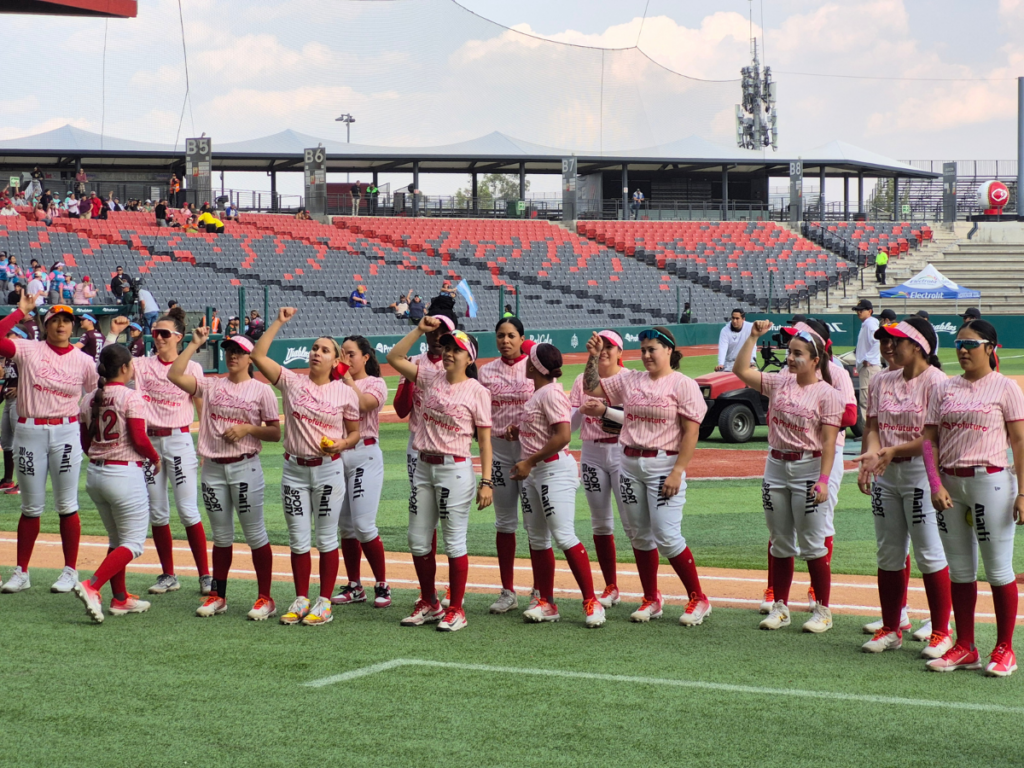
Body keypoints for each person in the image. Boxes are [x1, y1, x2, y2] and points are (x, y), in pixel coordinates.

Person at [581, 326, 711, 625]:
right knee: (639, 534)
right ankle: (651, 598)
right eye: (643, 350)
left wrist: (678, 471)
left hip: (663, 465)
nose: (647, 354)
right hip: (629, 464)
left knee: (666, 534)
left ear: (669, 350)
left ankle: (698, 597)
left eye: (653, 348)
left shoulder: (683, 384)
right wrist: (591, 358)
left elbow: (692, 432)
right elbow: (592, 387)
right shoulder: (631, 379)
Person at [922, 320, 1024, 676]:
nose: (962, 350)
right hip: (950, 483)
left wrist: (1023, 492)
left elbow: (1019, 441)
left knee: (997, 569)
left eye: (971, 343)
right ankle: (965, 646)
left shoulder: (1006, 388)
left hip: (991, 482)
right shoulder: (944, 388)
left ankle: (1005, 649)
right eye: (959, 343)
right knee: (961, 570)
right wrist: (935, 483)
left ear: (990, 347)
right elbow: (928, 440)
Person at [250, 308, 361, 627]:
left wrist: (342, 443)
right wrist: (280, 322)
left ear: (334, 359)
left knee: (326, 538)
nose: (316, 353)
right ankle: (301, 598)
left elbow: (355, 433)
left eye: (324, 349)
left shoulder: (344, 393)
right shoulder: (291, 382)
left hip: (327, 469)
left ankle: (324, 601)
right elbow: (258, 355)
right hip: (294, 471)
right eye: (314, 348)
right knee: (298, 538)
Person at [732, 320, 842, 633]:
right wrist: (753, 336)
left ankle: (823, 611)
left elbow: (830, 443)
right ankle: (780, 607)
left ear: (815, 360)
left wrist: (823, 480)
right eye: (790, 352)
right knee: (780, 541)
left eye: (798, 354)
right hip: (776, 466)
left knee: (812, 543)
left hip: (808, 467)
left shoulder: (827, 394)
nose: (791, 358)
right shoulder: (781, 381)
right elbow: (741, 370)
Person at [855, 317, 953, 659]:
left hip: (921, 473)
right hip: (887, 472)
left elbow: (930, 440)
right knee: (889, 552)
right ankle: (891, 627)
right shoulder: (882, 379)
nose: (890, 346)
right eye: (888, 340)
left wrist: (892, 451)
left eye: (898, 341)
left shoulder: (937, 382)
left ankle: (941, 631)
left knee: (929, 552)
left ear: (919, 346)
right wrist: (871, 453)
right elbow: (873, 426)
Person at [168, 327, 282, 621]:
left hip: (245, 466)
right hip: (214, 468)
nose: (233, 355)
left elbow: (274, 432)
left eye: (240, 351)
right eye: (230, 350)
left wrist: (248, 429)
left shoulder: (262, 390)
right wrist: (193, 345)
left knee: (255, 533)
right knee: (221, 536)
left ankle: (265, 597)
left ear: (250, 359)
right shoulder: (213, 385)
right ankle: (218, 595)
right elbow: (175, 375)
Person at [387, 319, 493, 632]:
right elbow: (394, 358)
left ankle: (457, 608)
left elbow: (485, 442)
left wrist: (486, 481)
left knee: (454, 541)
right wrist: (419, 330)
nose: (448, 353)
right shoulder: (431, 377)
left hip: (455, 468)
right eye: (447, 347)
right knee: (418, 540)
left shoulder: (477, 392)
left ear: (469, 357)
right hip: (423, 466)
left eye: (456, 349)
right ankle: (430, 601)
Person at [0, 297, 99, 595]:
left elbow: (97, 396)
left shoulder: (83, 361)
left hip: (66, 431)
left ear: (72, 326)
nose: (60, 324)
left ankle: (70, 570)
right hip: (30, 430)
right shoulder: (29, 349)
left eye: (66, 320)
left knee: (67, 504)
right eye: (54, 319)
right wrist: (22, 310)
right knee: (31, 506)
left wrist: (90, 436)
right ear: (45, 325)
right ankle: (22, 571)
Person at [118, 307, 211, 596]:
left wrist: (205, 444)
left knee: (187, 510)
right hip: (149, 444)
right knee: (158, 513)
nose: (157, 337)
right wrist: (114, 333)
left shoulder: (192, 368)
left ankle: (205, 575)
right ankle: (168, 574)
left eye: (164, 333)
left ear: (178, 338)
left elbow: (201, 407)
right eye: (155, 332)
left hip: (179, 441)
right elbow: (110, 364)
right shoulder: (142, 365)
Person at [512, 342, 605, 627]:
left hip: (552, 469)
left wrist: (528, 461)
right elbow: (544, 430)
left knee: (564, 536)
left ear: (535, 367)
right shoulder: (540, 392)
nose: (525, 361)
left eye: (529, 358)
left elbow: (563, 435)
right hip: (536, 472)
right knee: (537, 538)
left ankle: (592, 601)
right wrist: (520, 431)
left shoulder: (550, 393)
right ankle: (547, 603)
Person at [71, 344, 161, 623]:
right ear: (123, 368)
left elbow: (85, 443)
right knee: (133, 543)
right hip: (123, 475)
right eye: (130, 364)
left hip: (95, 475)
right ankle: (92, 585)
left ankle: (120, 598)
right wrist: (155, 458)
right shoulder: (130, 397)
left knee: (117, 540)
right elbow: (139, 438)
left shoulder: (88, 399)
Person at [478, 317, 535, 614]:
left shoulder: (534, 368)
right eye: (500, 335)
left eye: (511, 335)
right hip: (498, 450)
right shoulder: (485, 372)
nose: (505, 341)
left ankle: (540, 589)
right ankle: (508, 591)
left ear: (522, 338)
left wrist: (524, 430)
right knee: (504, 522)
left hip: (529, 453)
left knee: (535, 523)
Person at [569, 330, 630, 608]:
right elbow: (569, 425)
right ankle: (611, 586)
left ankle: (651, 593)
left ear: (621, 352)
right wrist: (579, 409)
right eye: (601, 345)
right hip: (592, 451)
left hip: (621, 451)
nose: (605, 350)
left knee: (633, 523)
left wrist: (604, 410)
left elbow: (634, 419)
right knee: (601, 523)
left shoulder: (629, 378)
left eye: (611, 346)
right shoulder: (582, 380)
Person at [332, 335, 391, 608]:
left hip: (365, 454)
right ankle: (355, 585)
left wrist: (345, 379)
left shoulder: (375, 383)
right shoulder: (335, 383)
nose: (345, 359)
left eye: (351, 354)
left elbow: (365, 405)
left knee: (364, 526)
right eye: (341, 353)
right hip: (338, 456)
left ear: (365, 357)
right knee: (346, 528)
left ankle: (382, 584)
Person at [0, 326, 26, 495]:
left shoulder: (25, 356)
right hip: (8, 400)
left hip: (20, 401)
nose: (9, 338)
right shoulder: (9, 357)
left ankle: (23, 484)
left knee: (20, 442)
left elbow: (35, 377)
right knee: (6, 441)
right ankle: (8, 480)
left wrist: (21, 388)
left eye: (12, 335)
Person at [854, 299, 882, 396]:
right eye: (857, 310)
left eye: (861, 310)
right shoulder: (867, 323)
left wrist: (868, 358)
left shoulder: (870, 323)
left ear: (869, 311)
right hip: (869, 367)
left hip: (869, 367)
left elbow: (877, 341)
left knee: (866, 400)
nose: (858, 312)